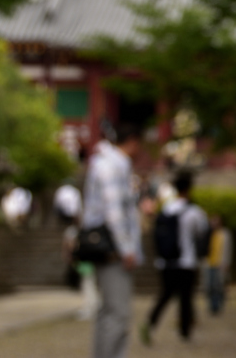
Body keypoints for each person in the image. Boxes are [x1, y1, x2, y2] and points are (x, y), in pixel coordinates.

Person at [82, 123, 144, 358]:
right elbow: (114, 211)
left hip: (108, 246)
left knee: (108, 311)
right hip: (113, 249)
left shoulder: (105, 163)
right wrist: (127, 247)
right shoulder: (112, 166)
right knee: (117, 313)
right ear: (133, 142)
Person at [140, 172, 208, 345]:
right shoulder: (193, 211)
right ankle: (185, 332)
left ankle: (150, 323)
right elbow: (202, 232)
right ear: (189, 189)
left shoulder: (166, 209)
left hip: (165, 261)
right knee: (185, 297)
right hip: (186, 260)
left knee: (165, 294)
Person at [205, 214, 232, 315]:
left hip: (220, 263)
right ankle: (213, 306)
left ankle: (218, 305)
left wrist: (227, 263)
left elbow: (228, 249)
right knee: (210, 286)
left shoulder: (225, 233)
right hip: (209, 263)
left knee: (219, 286)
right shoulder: (209, 233)